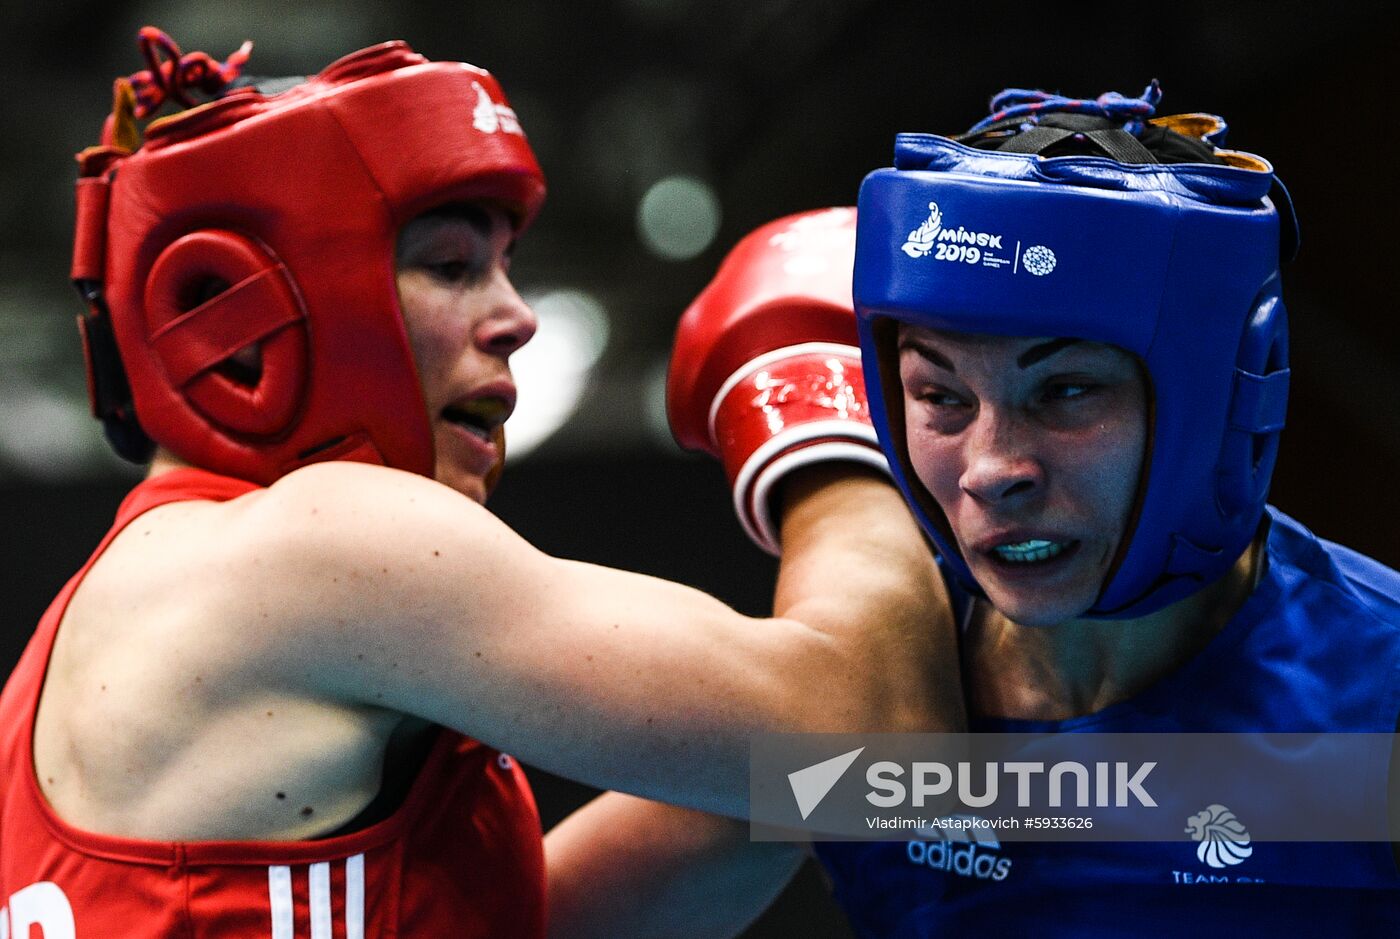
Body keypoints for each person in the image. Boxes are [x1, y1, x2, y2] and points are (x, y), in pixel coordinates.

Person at [0, 28, 965, 937]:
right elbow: (881, 740)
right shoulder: (314, 547)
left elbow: (540, 911)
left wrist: (1093, 796)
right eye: (452, 267)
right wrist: (823, 417)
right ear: (244, 319)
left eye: (507, 267)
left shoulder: (80, 648)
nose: (517, 318)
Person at [671, 84, 1398, 935]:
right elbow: (529, 909)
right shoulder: (878, 693)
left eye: (1066, 390)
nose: (990, 470)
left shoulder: (1376, 695)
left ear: (1216, 402)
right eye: (940, 396)